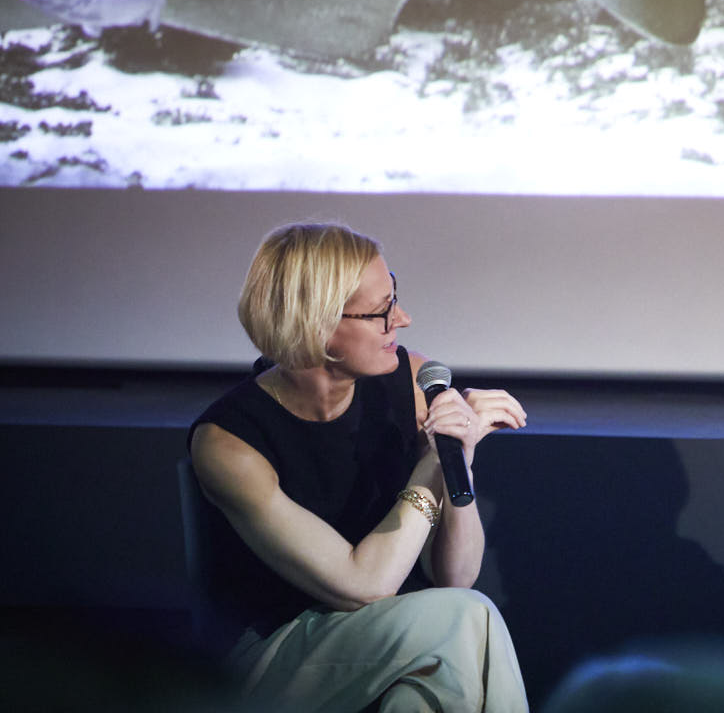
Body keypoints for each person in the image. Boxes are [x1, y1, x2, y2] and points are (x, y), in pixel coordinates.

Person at [187, 222, 530, 712]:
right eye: (382, 312)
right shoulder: (228, 441)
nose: (404, 319)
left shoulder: (410, 381)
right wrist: (428, 466)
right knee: (467, 620)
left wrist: (460, 461)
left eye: (396, 298)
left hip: (397, 634)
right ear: (318, 326)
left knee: (422, 697)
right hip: (271, 657)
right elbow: (363, 587)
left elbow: (454, 575)